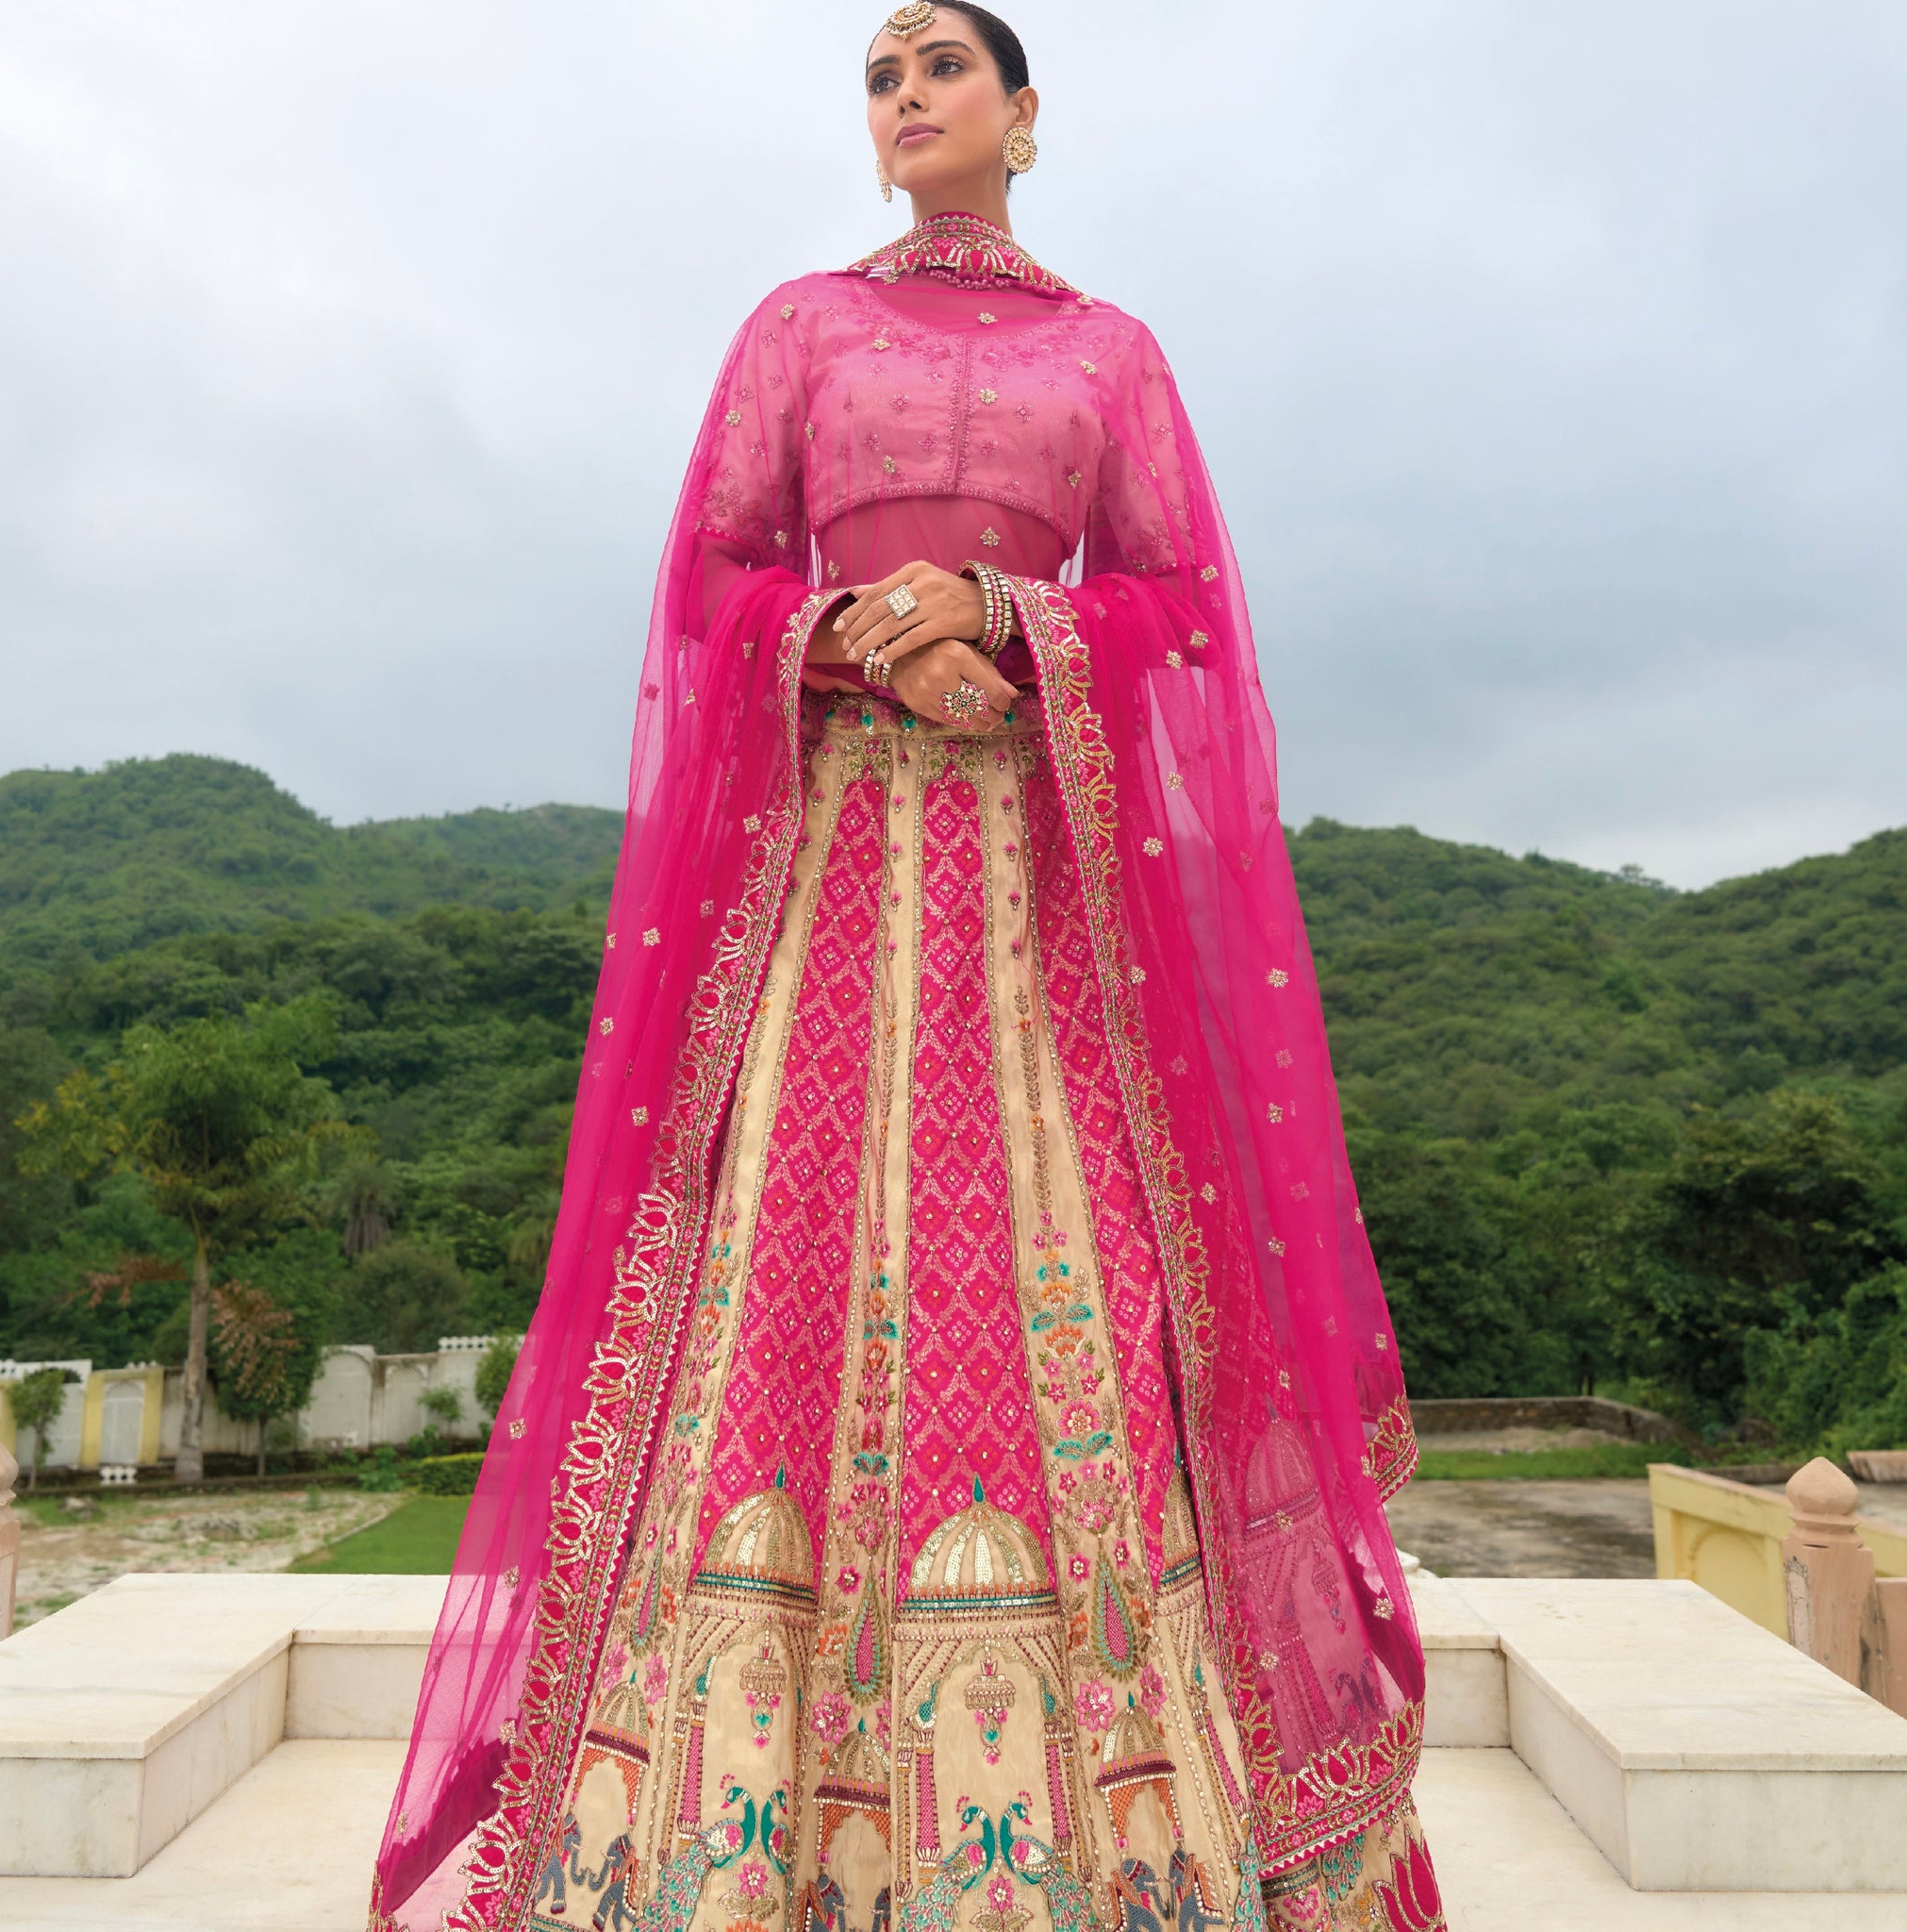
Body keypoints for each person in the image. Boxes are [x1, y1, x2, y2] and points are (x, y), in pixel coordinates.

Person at [370, 9, 1442, 1931]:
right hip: (839, 870)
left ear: (1023, 117)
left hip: (1044, 900)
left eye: (942, 64)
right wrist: (861, 633)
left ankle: (1119, 1823)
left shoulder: (1113, 353)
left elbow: (1181, 602)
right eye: (879, 78)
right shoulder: (797, 327)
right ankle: (728, 1825)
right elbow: (710, 579)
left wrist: (1013, 620)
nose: (906, 97)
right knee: (782, 1259)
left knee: (1084, 1268)